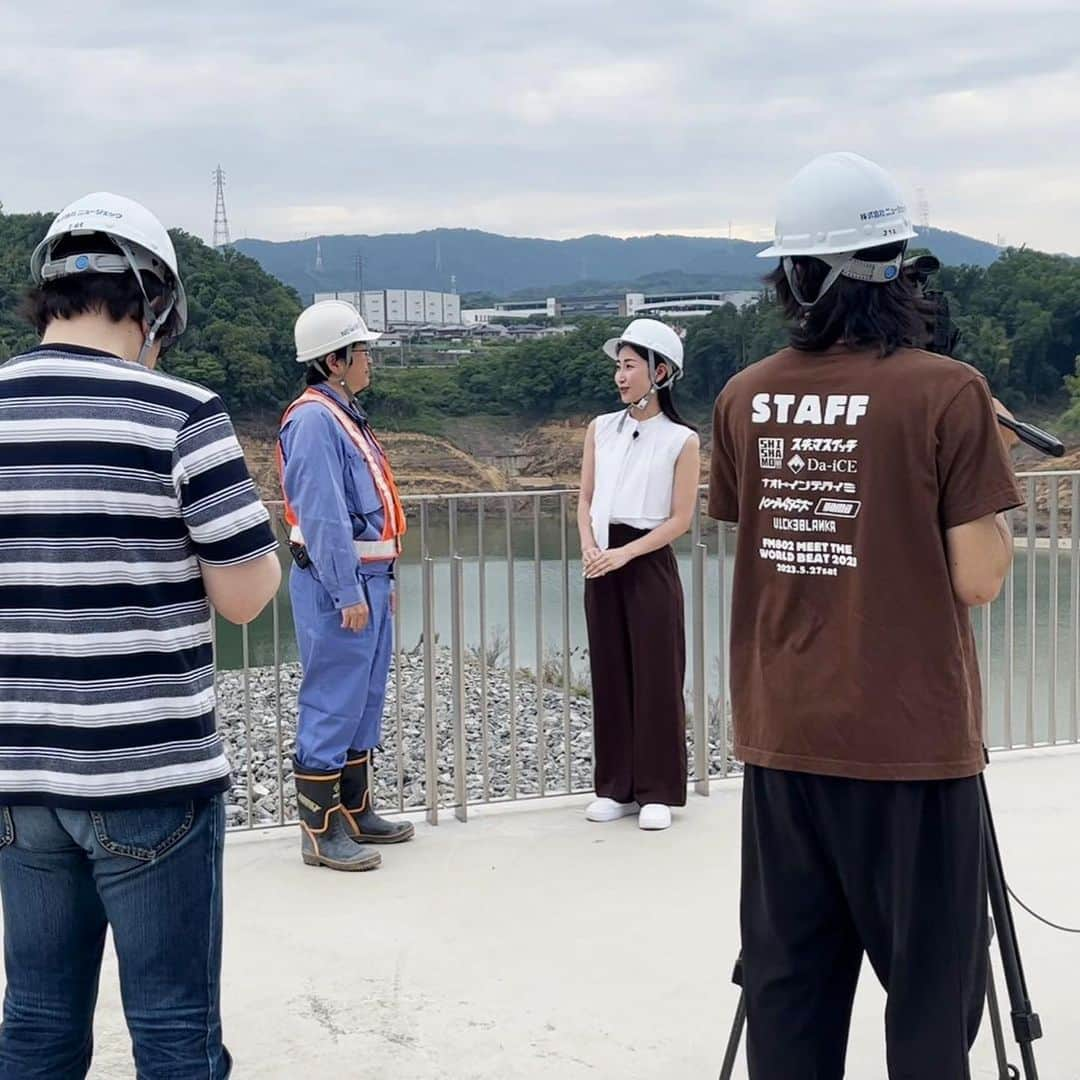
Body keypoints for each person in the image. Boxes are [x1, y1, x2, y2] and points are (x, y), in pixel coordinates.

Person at [707, 152, 1023, 1078]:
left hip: (783, 740)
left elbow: (769, 533)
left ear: (795, 278)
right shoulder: (948, 393)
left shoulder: (742, 396)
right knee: (931, 1003)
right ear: (897, 269)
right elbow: (980, 579)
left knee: (789, 996)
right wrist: (986, 464)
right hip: (910, 749)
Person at [0, 192, 281, 1079]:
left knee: (36, 1019)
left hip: (20, 779)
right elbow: (245, 598)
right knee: (173, 1028)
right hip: (152, 777)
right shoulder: (180, 415)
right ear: (157, 303)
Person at [277, 299, 412, 872]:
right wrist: (348, 592)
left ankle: (355, 809)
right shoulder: (312, 420)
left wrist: (380, 582)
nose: (369, 361)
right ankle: (320, 828)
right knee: (333, 699)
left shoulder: (342, 413)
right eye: (362, 352)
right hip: (341, 584)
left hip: (369, 579)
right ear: (335, 360)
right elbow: (325, 516)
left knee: (363, 698)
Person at [577, 318, 701, 831]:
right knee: (610, 673)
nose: (620, 377)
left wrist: (625, 555)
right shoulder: (600, 428)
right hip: (601, 559)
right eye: (619, 367)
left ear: (661, 372)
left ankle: (657, 790)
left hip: (646, 560)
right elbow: (583, 499)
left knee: (656, 674)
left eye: (630, 366)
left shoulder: (681, 439)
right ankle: (617, 787)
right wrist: (589, 547)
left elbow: (680, 519)